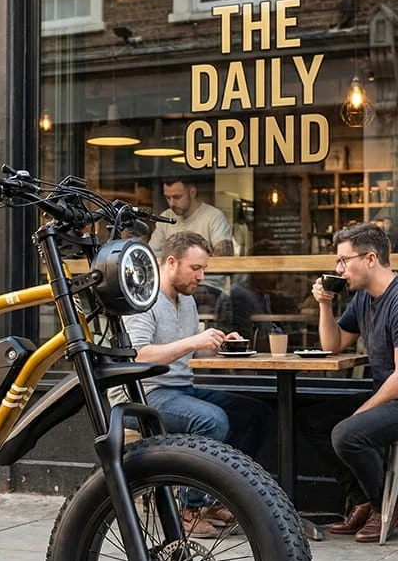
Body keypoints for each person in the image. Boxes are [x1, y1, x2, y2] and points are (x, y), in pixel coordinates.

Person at [112, 231, 273, 539]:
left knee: (256, 414)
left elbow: (188, 348)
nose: (201, 276)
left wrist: (219, 342)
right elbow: (138, 355)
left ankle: (214, 501)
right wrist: (193, 340)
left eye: (204, 269)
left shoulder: (186, 300)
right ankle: (188, 509)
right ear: (171, 262)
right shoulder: (145, 300)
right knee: (211, 420)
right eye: (195, 268)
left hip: (180, 389)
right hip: (143, 395)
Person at [305, 222, 398, 542]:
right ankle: (361, 499)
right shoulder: (363, 300)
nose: (339, 269)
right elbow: (333, 345)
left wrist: (363, 411)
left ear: (370, 259)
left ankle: (385, 506)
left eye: (344, 261)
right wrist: (325, 305)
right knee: (313, 417)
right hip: (385, 395)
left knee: (348, 432)